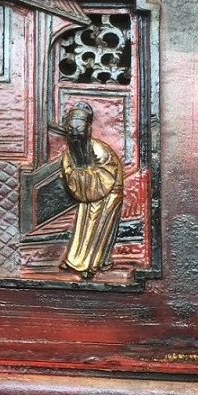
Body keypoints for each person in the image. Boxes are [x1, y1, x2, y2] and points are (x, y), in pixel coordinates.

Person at [58, 102, 124, 279]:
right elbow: (68, 170)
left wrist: (84, 176)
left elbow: (107, 171)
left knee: (97, 225)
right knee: (81, 224)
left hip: (108, 192)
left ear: (87, 129)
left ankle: (90, 264)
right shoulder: (70, 152)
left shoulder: (98, 148)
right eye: (71, 130)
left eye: (79, 130)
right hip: (87, 193)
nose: (75, 134)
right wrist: (79, 178)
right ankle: (74, 260)